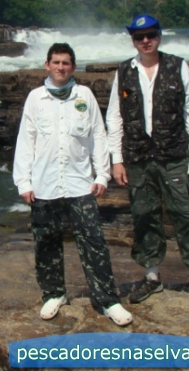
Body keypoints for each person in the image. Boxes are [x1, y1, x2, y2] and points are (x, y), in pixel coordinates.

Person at [13, 42, 133, 326]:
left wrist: (102, 174)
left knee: (94, 242)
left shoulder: (84, 95)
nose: (60, 67)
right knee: (46, 242)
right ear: (47, 65)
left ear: (73, 67)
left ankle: (107, 300)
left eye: (65, 62)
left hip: (81, 184)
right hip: (43, 185)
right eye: (55, 62)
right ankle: (54, 294)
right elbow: (26, 140)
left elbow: (98, 135)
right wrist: (23, 181)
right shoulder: (35, 98)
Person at [105, 14, 189, 310]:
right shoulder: (123, 71)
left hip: (174, 156)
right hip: (138, 158)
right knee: (144, 216)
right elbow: (114, 117)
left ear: (159, 36)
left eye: (151, 35)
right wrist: (117, 160)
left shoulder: (177, 66)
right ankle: (152, 277)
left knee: (187, 215)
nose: (145, 41)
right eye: (139, 37)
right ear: (133, 40)